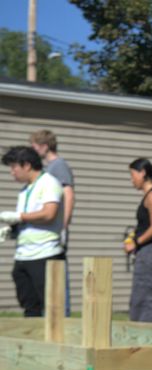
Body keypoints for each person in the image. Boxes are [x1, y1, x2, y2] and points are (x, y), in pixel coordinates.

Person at [0, 146, 65, 317]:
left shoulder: (49, 182)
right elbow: (28, 219)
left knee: (51, 307)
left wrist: (19, 217)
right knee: (29, 306)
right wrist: (12, 230)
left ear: (27, 165)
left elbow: (49, 214)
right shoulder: (25, 190)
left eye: (14, 167)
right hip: (23, 255)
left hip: (44, 254)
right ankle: (33, 340)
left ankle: (53, 342)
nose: (12, 172)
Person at [30, 129, 75, 315]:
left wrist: (63, 226)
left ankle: (63, 317)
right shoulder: (48, 169)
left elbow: (68, 194)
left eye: (34, 147)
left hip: (57, 231)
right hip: (47, 232)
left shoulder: (59, 166)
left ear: (44, 146)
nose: (32, 152)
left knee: (58, 273)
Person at [125, 158, 152, 323]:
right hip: (145, 253)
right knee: (139, 297)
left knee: (146, 298)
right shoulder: (148, 196)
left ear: (142, 173)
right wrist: (132, 237)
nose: (131, 179)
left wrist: (136, 242)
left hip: (150, 253)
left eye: (132, 174)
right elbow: (145, 225)